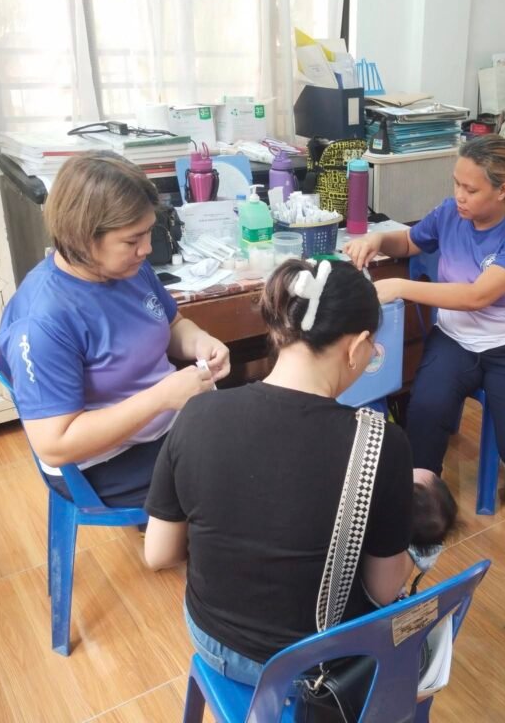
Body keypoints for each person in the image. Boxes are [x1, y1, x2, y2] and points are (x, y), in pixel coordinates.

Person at [143, 259, 415, 686]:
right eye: (373, 350)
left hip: (211, 640)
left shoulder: (198, 413)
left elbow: (159, 554)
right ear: (357, 345)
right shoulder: (381, 445)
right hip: (312, 665)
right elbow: (382, 591)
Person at [0, 152, 230, 507]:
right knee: (242, 471)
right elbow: (55, 444)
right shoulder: (43, 321)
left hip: (164, 423)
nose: (146, 249)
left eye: (149, 232)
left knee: (260, 430)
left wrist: (200, 342)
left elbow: (172, 324)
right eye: (132, 240)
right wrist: (161, 397)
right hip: (102, 461)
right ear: (83, 237)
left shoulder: (129, 269)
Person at [344, 135, 505, 511]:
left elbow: (477, 296)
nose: (459, 195)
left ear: (503, 190)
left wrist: (400, 287)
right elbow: (410, 242)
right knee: (425, 411)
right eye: (456, 184)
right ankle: (421, 491)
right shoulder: (450, 213)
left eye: (470, 189)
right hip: (454, 339)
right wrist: (378, 240)